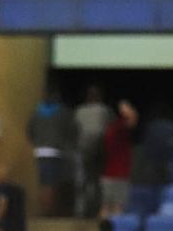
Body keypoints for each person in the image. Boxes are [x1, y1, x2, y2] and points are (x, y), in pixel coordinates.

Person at [28, 91, 76, 216]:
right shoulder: (63, 113)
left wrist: (37, 142)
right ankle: (49, 213)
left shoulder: (35, 113)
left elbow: (30, 132)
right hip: (56, 152)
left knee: (43, 184)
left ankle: (45, 211)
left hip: (39, 152)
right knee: (52, 184)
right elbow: (72, 131)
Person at [73, 87, 113, 218]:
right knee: (88, 182)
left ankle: (91, 211)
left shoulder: (102, 110)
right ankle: (84, 211)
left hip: (95, 150)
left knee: (93, 182)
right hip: (89, 151)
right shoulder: (82, 111)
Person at [100, 101, 139, 216]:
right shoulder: (119, 127)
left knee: (106, 207)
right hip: (119, 175)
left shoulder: (111, 128)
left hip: (109, 174)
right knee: (117, 208)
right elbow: (132, 121)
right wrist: (130, 112)